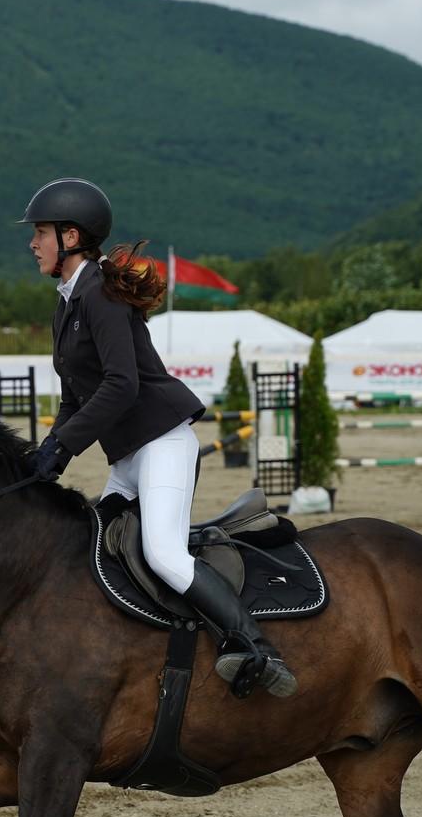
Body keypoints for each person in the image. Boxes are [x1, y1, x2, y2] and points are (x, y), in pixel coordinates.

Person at [19, 178, 297, 699]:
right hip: (128, 457)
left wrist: (66, 445)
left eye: (40, 233)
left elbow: (121, 384)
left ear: (70, 236)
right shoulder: (67, 304)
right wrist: (48, 453)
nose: (33, 244)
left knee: (164, 554)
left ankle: (255, 648)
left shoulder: (100, 294)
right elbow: (74, 399)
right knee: (93, 542)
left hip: (163, 445)